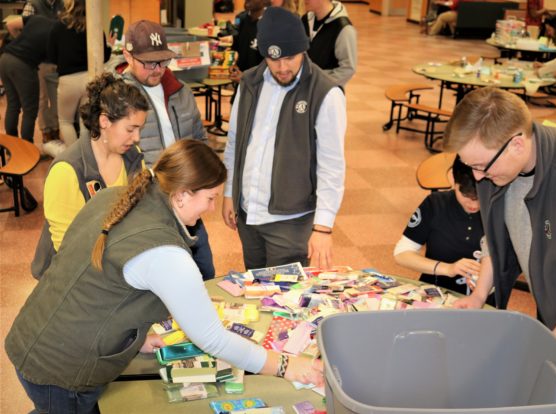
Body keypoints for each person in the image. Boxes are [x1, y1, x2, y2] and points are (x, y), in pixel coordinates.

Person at [6, 139, 322, 413]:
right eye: (210, 197)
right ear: (182, 194)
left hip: (33, 338)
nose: (211, 208)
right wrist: (286, 365)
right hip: (61, 372)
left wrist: (133, 336)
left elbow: (94, 281)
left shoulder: (115, 197)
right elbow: (213, 338)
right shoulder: (167, 254)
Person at [222, 7, 346, 270]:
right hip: (248, 214)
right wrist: (229, 194)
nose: (282, 67)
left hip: (291, 221)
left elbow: (331, 166)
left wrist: (323, 228)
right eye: (272, 58)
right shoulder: (249, 83)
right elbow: (235, 142)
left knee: (284, 300)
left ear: (303, 48)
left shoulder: (325, 93)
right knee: (255, 290)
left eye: (289, 57)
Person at [442, 87, 556, 338]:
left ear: (516, 144)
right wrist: (479, 295)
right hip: (549, 309)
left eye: (481, 166)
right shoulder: (496, 170)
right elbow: (496, 238)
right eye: (470, 166)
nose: (477, 177)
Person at [121, 19, 215, 280]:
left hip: (189, 204)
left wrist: (203, 184)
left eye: (162, 61)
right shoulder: (119, 99)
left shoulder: (181, 91)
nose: (157, 69)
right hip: (150, 208)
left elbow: (199, 139)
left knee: (204, 273)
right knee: (166, 281)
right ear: (127, 55)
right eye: (148, 62)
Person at [31, 73, 148, 279]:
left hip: (110, 262)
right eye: (131, 129)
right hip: (67, 275)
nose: (136, 138)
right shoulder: (67, 170)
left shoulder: (133, 158)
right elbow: (67, 246)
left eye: (140, 129)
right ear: (104, 121)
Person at [394, 156, 495, 303]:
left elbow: (511, 264)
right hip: (434, 296)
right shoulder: (435, 204)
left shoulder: (498, 210)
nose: (474, 204)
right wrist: (448, 269)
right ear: (453, 180)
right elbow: (401, 254)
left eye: (481, 198)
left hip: (484, 301)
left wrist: (487, 285)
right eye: (466, 196)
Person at [45, 0, 114, 156]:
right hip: (89, 79)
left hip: (67, 80)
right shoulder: (94, 26)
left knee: (65, 121)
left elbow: (51, 56)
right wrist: (110, 45)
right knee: (85, 121)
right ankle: (87, 156)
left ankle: (73, 157)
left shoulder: (58, 26)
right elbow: (103, 56)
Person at [0, 15, 55, 142]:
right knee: (29, 110)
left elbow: (10, 25)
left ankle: (13, 148)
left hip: (5, 58)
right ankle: (27, 149)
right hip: (23, 65)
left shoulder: (37, 18)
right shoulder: (56, 30)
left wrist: (21, 43)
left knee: (13, 105)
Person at [21, 0, 64, 144]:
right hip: (41, 61)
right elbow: (23, 31)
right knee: (43, 98)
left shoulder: (62, 4)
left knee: (57, 98)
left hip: (58, 60)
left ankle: (55, 128)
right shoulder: (32, 5)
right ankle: (46, 130)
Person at [301, 0, 357, 86]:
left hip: (327, 93)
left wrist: (319, 84)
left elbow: (348, 69)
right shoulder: (305, 20)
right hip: (305, 89)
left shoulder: (343, 28)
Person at [229, 0, 266, 84]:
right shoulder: (239, 18)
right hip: (240, 81)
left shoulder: (270, 24)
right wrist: (234, 65)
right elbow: (235, 48)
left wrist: (247, 77)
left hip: (259, 84)